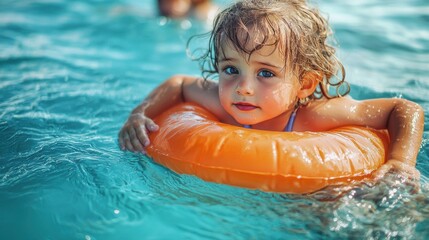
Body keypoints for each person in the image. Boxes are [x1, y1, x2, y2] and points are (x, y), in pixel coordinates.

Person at [119, 0, 424, 181]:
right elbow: (179, 84)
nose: (243, 88)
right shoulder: (221, 102)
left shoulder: (315, 116)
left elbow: (405, 109)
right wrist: (139, 115)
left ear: (304, 85)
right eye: (230, 69)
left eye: (266, 73)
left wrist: (400, 162)